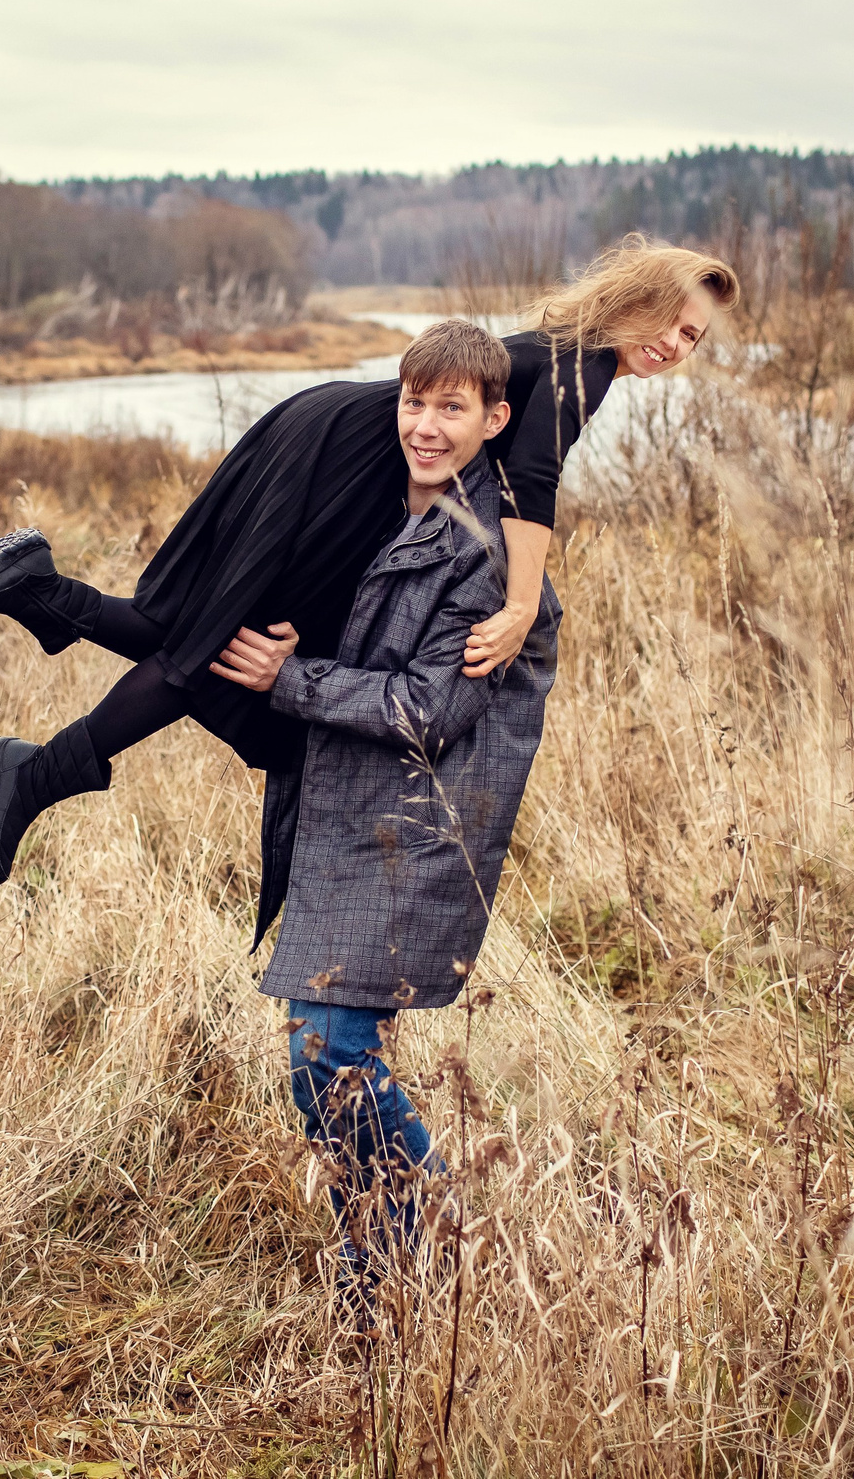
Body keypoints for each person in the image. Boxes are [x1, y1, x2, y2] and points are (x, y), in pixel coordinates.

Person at [0, 233, 739, 885]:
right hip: (353, 466)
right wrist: (520, 606)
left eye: (693, 337)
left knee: (188, 628)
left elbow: (510, 473)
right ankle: (38, 774)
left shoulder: (574, 347)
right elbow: (531, 480)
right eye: (672, 320)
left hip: (327, 432)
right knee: (232, 651)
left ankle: (35, 589)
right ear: (640, 301)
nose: (676, 343)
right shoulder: (586, 364)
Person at [207, 318, 554, 1301]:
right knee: (331, 1056)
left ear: (495, 418)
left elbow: (429, 708)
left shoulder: (484, 554)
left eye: (452, 407)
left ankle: (428, 1224)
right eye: (414, 401)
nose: (427, 425)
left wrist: (289, 678)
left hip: (415, 832)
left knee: (329, 1055)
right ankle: (382, 1280)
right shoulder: (375, 496)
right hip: (346, 815)